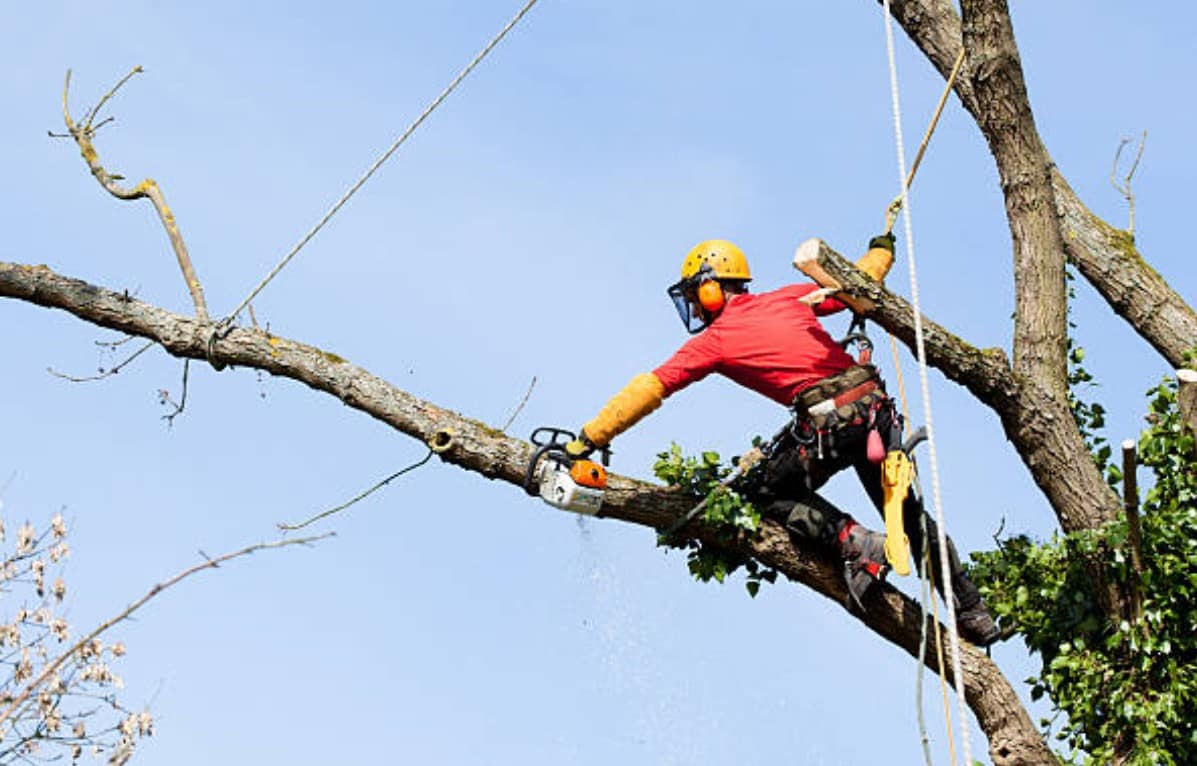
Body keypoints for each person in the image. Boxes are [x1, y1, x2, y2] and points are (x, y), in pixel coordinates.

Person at [567, 238, 1000, 646]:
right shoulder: (788, 297)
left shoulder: (714, 342)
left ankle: (854, 541)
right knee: (907, 517)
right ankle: (974, 613)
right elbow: (858, 280)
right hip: (874, 413)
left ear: (712, 288)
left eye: (696, 295)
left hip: (831, 424)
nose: (696, 309)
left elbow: (650, 387)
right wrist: (880, 250)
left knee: (763, 492)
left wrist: (589, 437)